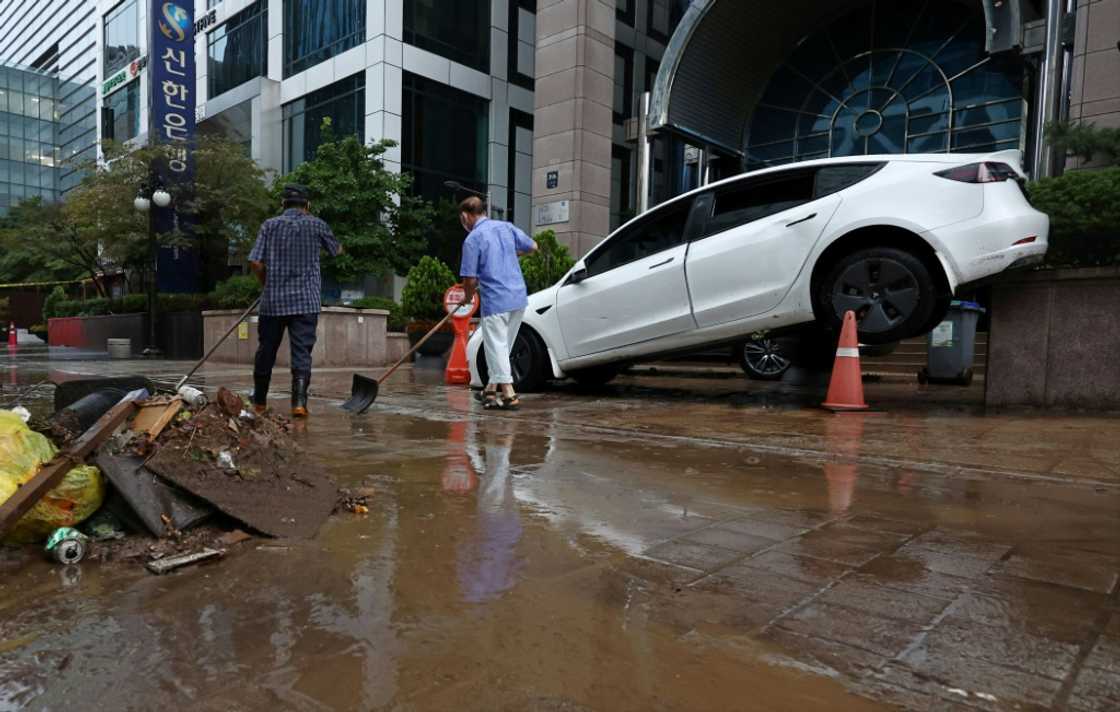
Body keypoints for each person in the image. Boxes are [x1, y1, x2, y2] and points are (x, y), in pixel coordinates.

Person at [248, 184, 342, 417]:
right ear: (307, 205)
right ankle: (299, 403)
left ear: (283, 204)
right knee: (302, 353)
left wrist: (265, 283)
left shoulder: (269, 225)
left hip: (273, 302)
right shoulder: (317, 224)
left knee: (266, 351)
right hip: (305, 302)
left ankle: (259, 401)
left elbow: (255, 263)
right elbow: (336, 251)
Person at [458, 196, 537, 411]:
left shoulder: (473, 239)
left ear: (466, 216)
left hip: (496, 299)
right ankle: (491, 391)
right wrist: (509, 255)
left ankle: (509, 394)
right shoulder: (506, 227)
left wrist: (467, 296)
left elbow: (470, 279)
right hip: (518, 298)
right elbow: (533, 246)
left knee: (497, 346)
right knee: (501, 347)